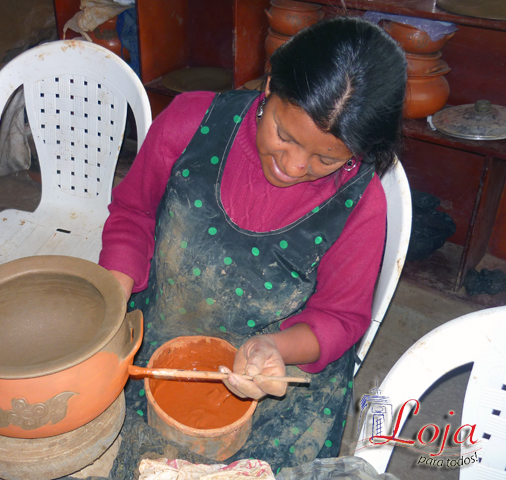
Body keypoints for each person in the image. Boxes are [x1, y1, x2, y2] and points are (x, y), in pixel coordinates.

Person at [99, 16, 406, 471]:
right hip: (164, 342)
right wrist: (110, 300)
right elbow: (134, 214)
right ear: (268, 88)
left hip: (273, 376)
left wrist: (276, 350)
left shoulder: (361, 202)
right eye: (284, 135)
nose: (295, 166)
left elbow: (341, 317)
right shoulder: (189, 123)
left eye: (326, 158)